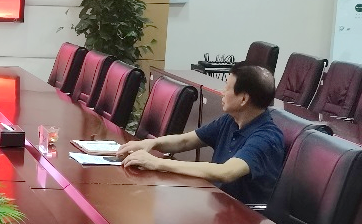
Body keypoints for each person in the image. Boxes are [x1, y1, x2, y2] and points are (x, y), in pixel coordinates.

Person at [115, 62, 284, 205]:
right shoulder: (230, 120)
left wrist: (157, 163)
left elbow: (226, 172)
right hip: (217, 204)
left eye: (227, 88)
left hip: (243, 217)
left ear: (243, 99)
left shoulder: (266, 137)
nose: (222, 92)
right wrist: (151, 143)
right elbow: (185, 141)